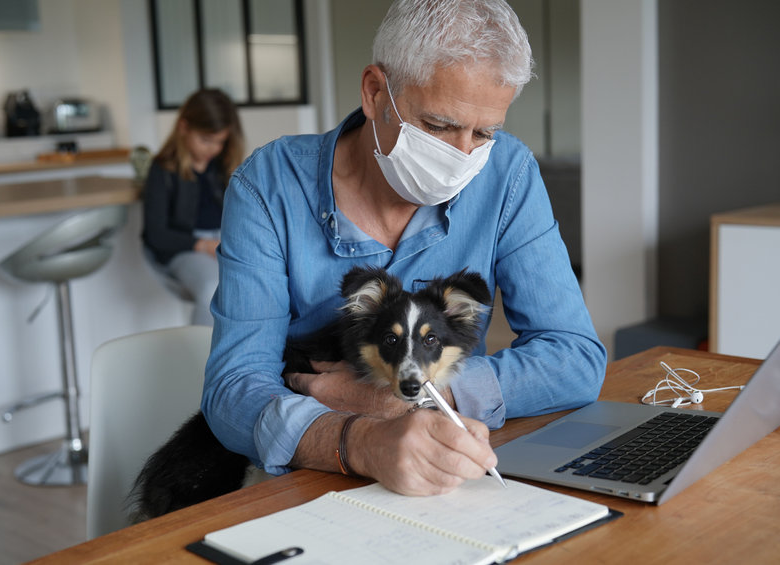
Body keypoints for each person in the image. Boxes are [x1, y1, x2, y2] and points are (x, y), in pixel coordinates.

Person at [202, 0, 607, 496]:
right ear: (375, 92)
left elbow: (574, 357)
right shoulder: (268, 187)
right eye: (437, 126)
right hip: (305, 478)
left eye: (484, 133)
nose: (462, 158)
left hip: (444, 463)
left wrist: (413, 395)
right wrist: (361, 441)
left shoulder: (508, 174)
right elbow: (233, 390)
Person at [141, 89, 245, 326]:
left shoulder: (223, 167)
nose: (213, 149)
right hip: (185, 249)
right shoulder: (162, 171)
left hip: (223, 244)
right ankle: (200, 360)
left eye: (220, 142)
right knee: (212, 287)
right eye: (206, 140)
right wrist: (204, 245)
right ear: (184, 127)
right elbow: (156, 234)